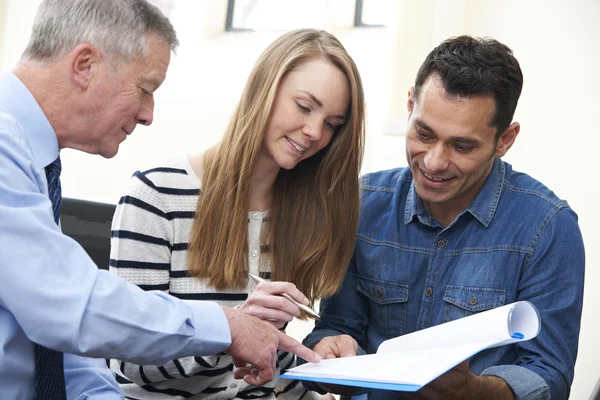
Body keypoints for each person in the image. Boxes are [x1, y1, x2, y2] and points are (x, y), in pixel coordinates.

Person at [0, 1, 320, 399]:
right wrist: (227, 326)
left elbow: (65, 349)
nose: (149, 114)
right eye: (145, 89)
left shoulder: (34, 161)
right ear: (85, 65)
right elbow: (70, 307)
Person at [302, 35, 585, 400]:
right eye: (424, 133)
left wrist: (475, 391)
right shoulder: (361, 204)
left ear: (505, 139)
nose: (433, 162)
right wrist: (327, 351)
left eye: (462, 146)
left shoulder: (548, 228)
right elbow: (338, 326)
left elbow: (550, 376)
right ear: (409, 104)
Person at [108, 28, 366, 399]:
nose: (314, 132)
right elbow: (130, 362)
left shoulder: (301, 217)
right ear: (265, 89)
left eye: (332, 124)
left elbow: (264, 368)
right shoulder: (156, 194)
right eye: (304, 106)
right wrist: (229, 330)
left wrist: (314, 373)